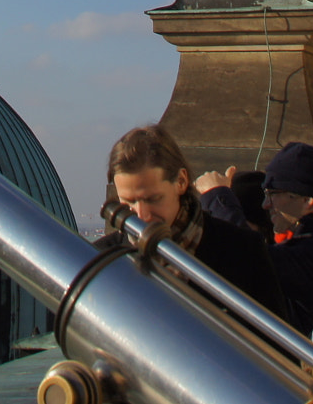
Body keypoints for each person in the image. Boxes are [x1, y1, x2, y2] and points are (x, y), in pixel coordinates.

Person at [105, 124, 286, 318]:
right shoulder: (104, 259)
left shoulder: (243, 250)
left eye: (152, 199)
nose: (141, 215)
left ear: (181, 182)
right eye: (129, 202)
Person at [197, 141, 313, 335]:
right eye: (265, 194)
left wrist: (218, 197)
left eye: (273, 194)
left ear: (307, 200)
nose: (265, 205)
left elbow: (252, 259)